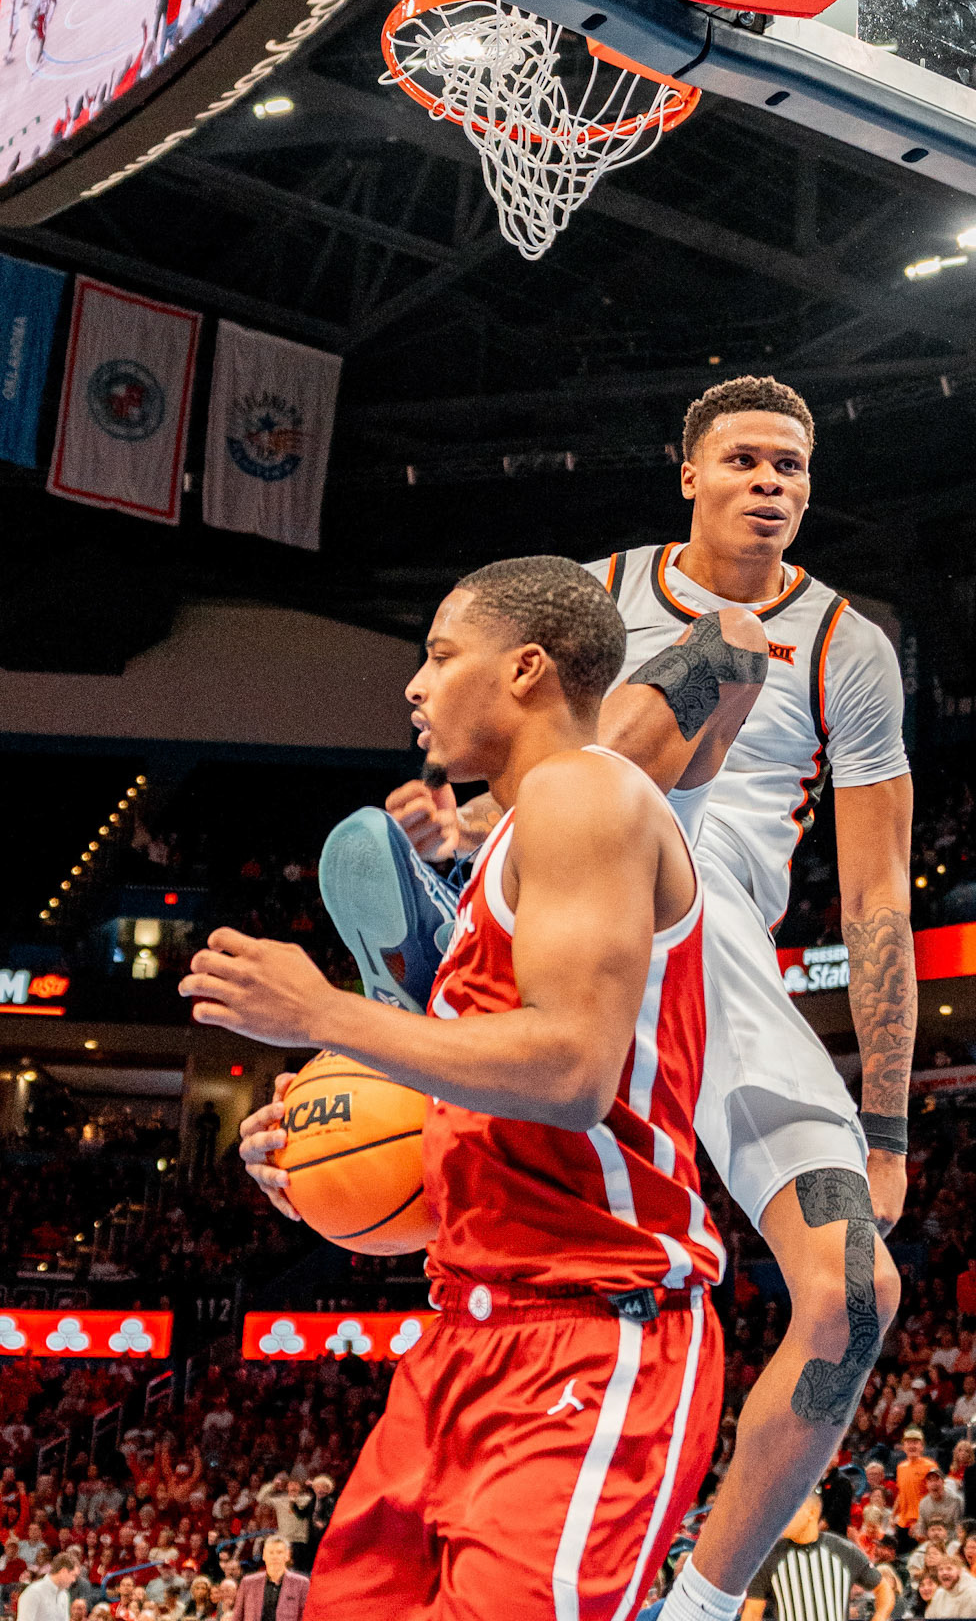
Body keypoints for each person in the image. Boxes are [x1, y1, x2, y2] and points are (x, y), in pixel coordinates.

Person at [378, 378, 914, 1621]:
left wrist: (886, 1128)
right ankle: (472, 900)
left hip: (721, 949)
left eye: (791, 464)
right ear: (689, 474)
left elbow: (877, 900)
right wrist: (473, 821)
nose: (769, 482)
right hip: (588, 880)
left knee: (856, 1295)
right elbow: (506, 730)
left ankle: (703, 1604)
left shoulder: (849, 645)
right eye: (743, 459)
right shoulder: (592, 592)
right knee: (696, 673)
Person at [190, 556, 728, 1621]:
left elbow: (573, 1071)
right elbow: (503, 1116)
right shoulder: (510, 848)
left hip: (591, 1332)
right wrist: (325, 1150)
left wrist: (323, 1015)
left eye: (440, 655)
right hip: (462, 1328)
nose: (415, 683)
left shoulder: (586, 792)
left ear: (526, 668)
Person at [743, 1487, 892, 1621]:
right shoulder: (769, 1558)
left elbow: (884, 1590)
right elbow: (752, 1613)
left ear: (812, 1513)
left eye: (791, 1511)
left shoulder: (843, 1549)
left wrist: (879, 1617)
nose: (783, 1518)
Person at [231, 1539, 307, 1621]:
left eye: (279, 1552)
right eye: (271, 1552)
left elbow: (305, 1616)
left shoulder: (301, 1583)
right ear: (264, 1556)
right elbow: (237, 1616)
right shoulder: (248, 1583)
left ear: (287, 1555)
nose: (275, 1557)